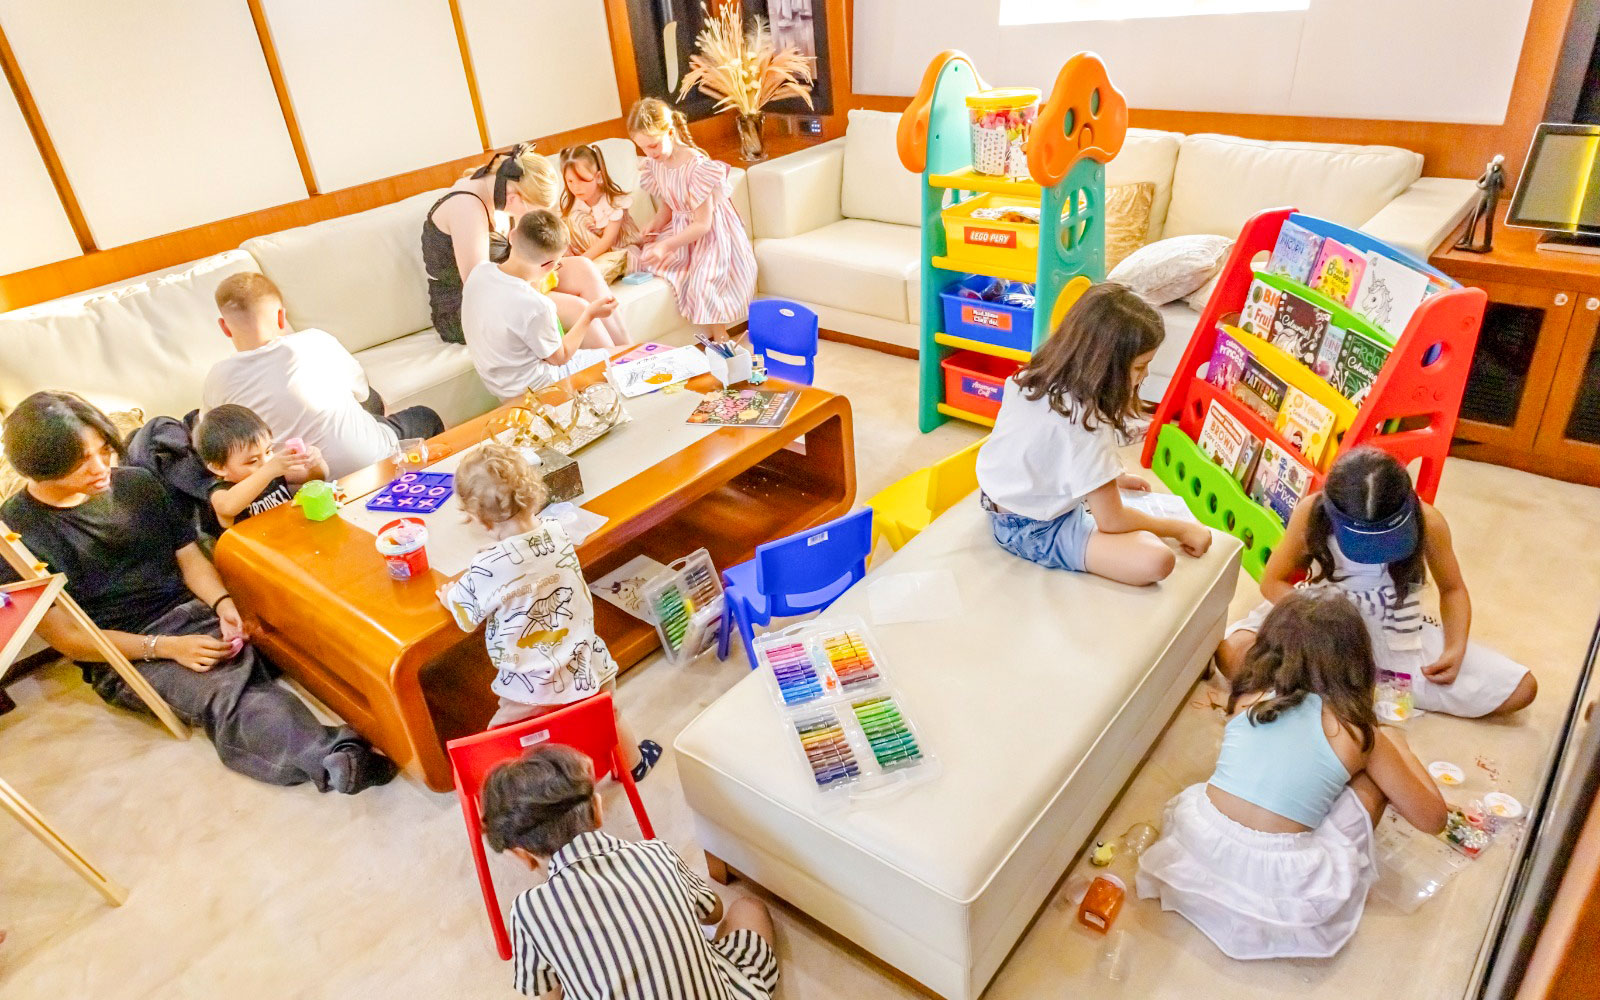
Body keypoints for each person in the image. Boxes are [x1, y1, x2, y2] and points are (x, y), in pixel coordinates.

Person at [0, 391, 396, 792]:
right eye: (81, 461)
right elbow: (70, 639)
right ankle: (334, 758)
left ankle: (397, 709)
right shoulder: (15, 535)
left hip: (192, 606)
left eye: (104, 450)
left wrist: (223, 603)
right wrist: (167, 647)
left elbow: (189, 558)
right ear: (40, 465)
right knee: (227, 690)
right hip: (128, 650)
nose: (101, 467)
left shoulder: (136, 484)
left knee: (294, 626)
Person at [1138, 590, 1447, 959]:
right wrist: (1400, 746)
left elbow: (1230, 650)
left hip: (1201, 846)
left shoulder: (1249, 694)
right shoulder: (1360, 733)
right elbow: (1433, 819)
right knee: (1371, 780)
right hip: (1284, 883)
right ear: (1357, 663)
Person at [1216, 446, 1536, 718]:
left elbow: (1453, 590)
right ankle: (1349, 688)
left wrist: (1455, 647)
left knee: (1520, 689)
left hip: (1391, 627)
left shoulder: (1429, 520)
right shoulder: (1311, 511)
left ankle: (1340, 689)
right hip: (1316, 616)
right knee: (1232, 653)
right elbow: (1272, 583)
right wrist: (1319, 626)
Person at [482, 743, 779, 1000]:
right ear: (597, 810)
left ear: (522, 856)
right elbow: (713, 913)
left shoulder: (527, 912)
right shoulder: (655, 853)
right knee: (748, 908)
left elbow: (544, 991)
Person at [438, 443, 660, 779]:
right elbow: (529, 563)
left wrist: (449, 595)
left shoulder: (488, 565)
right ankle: (633, 766)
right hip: (589, 667)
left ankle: (502, 791)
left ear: (480, 521)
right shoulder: (557, 533)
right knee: (609, 716)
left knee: (500, 739)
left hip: (528, 687)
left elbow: (466, 614)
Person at [974, 283, 1212, 584]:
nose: (1145, 376)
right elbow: (1112, 521)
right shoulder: (1085, 423)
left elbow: (1045, 451)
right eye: (1141, 366)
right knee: (1157, 560)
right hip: (1033, 529)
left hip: (1001, 502)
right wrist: (1179, 528)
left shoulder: (1028, 378)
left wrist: (1108, 479)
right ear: (1106, 365)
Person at [202, 273, 444, 480]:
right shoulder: (315, 341)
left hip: (296, 483)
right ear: (280, 317)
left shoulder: (218, 378)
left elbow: (213, 439)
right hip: (372, 461)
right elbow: (364, 395)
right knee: (423, 416)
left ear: (224, 327)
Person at [422, 143, 632, 346]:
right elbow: (480, 288)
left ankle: (633, 354)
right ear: (514, 198)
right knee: (579, 309)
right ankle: (616, 366)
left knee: (583, 268)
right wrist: (533, 282)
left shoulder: (496, 188)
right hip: (466, 308)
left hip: (511, 283)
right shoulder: (466, 207)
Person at [626, 98, 757, 344]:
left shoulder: (696, 166)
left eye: (653, 145)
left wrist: (667, 245)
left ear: (670, 132)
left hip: (712, 234)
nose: (650, 154)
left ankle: (721, 336)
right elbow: (668, 206)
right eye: (643, 148)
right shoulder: (656, 164)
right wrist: (655, 224)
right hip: (680, 230)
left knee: (704, 282)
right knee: (641, 258)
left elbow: (702, 224)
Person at [461, 210, 623, 402]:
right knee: (627, 356)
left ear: (512, 236)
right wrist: (589, 315)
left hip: (504, 389)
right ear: (549, 265)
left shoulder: (479, 272)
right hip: (546, 388)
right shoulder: (537, 306)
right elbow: (560, 358)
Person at [195, 404, 326, 529]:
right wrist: (269, 470)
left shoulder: (273, 473)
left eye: (268, 451)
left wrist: (315, 462)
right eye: (252, 461)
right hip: (254, 550)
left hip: (292, 538)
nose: (266, 462)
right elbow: (228, 507)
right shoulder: (221, 492)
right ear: (219, 467)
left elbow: (317, 477)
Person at [559, 142, 643, 281]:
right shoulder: (576, 205)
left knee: (612, 266)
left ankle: (587, 270)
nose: (576, 187)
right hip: (591, 255)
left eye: (582, 180)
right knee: (571, 222)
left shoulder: (613, 203)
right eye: (570, 181)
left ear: (598, 177)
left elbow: (607, 240)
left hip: (618, 251)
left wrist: (581, 262)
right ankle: (582, 269)